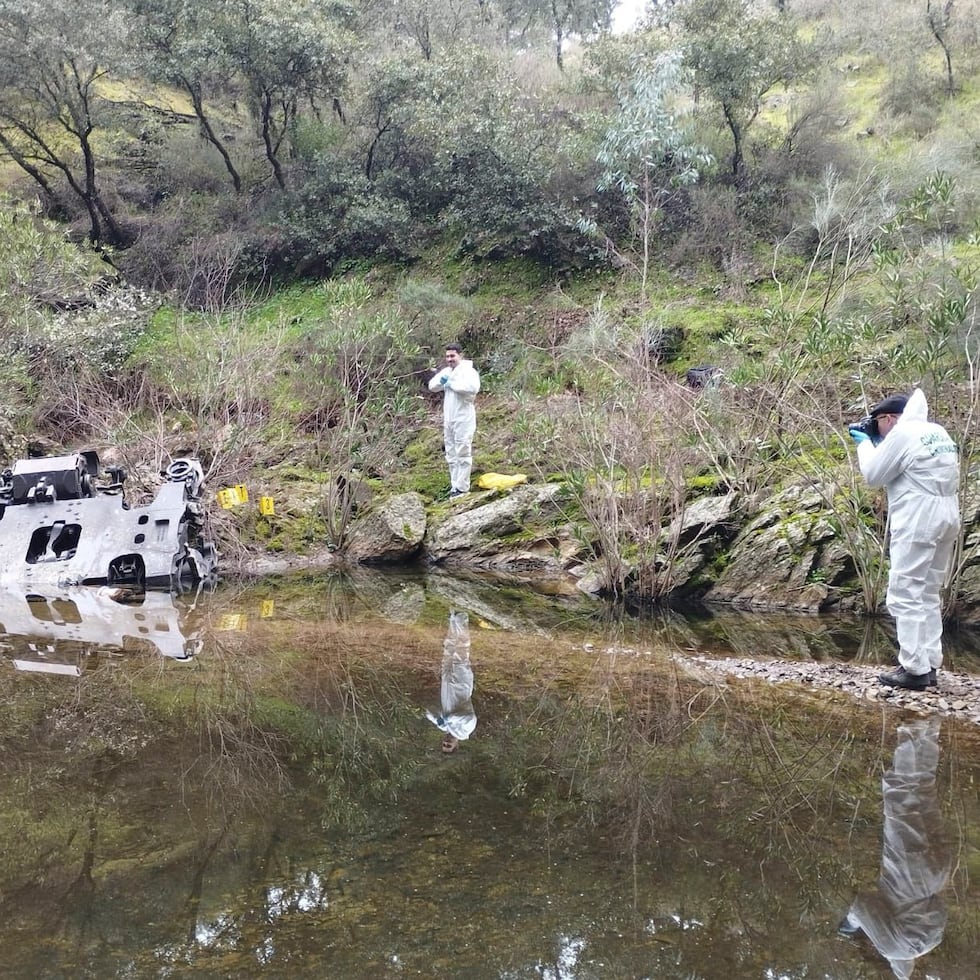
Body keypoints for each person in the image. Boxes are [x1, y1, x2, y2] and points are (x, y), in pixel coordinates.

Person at [849, 389, 959, 691]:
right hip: (948, 515)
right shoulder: (936, 431)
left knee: (904, 592)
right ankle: (930, 662)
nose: (879, 431)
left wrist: (864, 442)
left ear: (889, 419)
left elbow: (873, 474)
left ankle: (913, 668)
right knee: (928, 591)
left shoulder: (903, 433)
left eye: (879, 424)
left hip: (918, 518)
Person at [838, 717, 951, 979]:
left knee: (922, 793)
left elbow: (940, 908)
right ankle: (913, 730)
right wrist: (850, 925)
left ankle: (929, 731)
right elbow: (861, 905)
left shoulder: (931, 942)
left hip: (936, 877)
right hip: (908, 876)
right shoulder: (891, 948)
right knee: (900, 797)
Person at [428, 343, 480, 497]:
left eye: (452, 356)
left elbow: (473, 388)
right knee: (451, 453)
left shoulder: (468, 371)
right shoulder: (446, 371)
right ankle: (454, 486)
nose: (449, 359)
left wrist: (452, 384)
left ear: (460, 355)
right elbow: (432, 386)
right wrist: (442, 381)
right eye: (447, 356)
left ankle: (463, 487)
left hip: (464, 417)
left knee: (463, 451)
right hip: (449, 418)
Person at [425, 609, 476, 753]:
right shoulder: (466, 730)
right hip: (461, 684)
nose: (446, 742)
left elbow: (428, 711)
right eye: (449, 745)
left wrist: (437, 720)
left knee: (449, 649)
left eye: (443, 744)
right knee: (461, 651)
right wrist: (448, 719)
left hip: (447, 682)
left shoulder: (445, 726)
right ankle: (462, 618)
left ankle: (453, 620)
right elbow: (468, 717)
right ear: (456, 745)